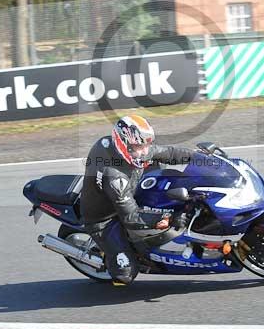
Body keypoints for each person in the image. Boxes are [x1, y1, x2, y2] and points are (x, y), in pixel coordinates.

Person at [81, 115, 195, 285]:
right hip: (104, 218)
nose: (144, 151)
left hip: (129, 190)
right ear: (123, 144)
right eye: (139, 147)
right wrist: (169, 218)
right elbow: (131, 217)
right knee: (125, 275)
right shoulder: (115, 177)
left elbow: (169, 153)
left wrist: (198, 157)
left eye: (146, 145)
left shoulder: (130, 148)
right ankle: (115, 258)